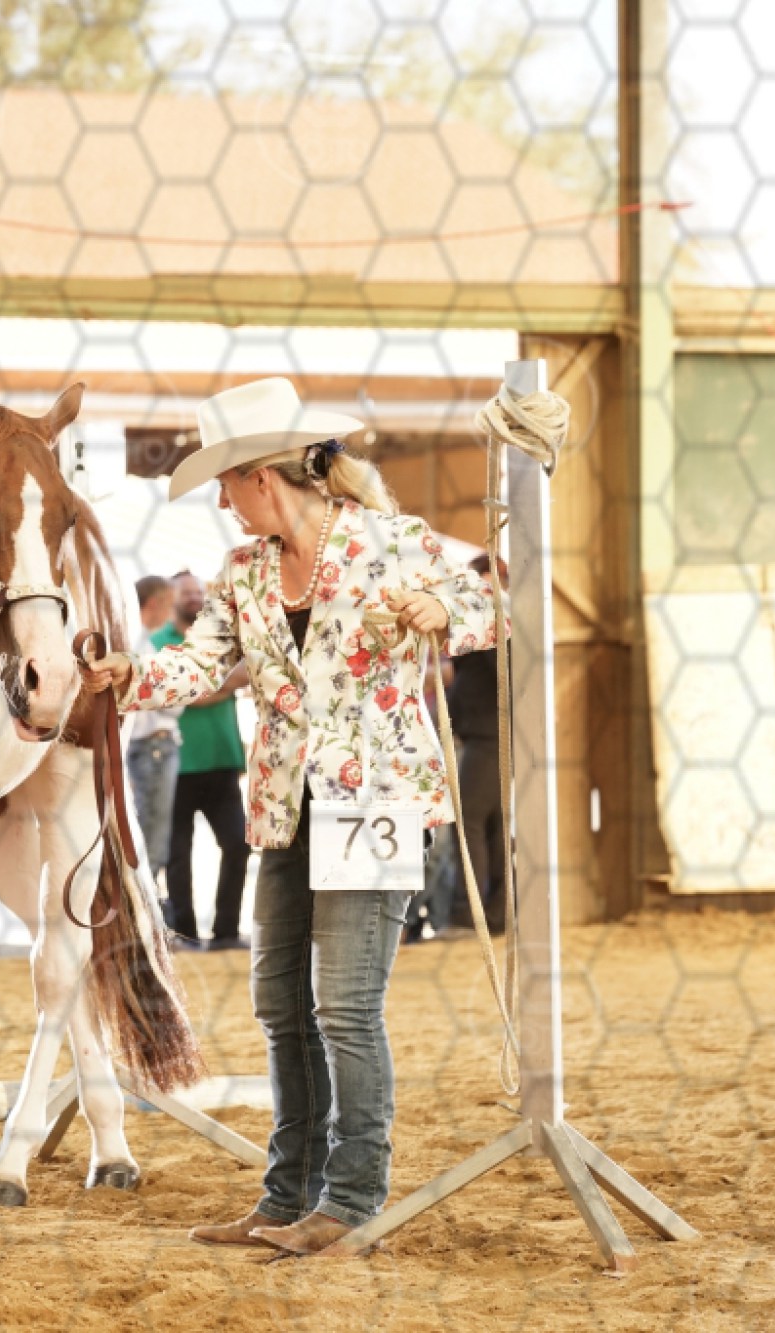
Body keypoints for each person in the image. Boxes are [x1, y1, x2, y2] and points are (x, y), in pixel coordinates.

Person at [79, 377, 499, 1257]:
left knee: (345, 1005)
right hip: (286, 808)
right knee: (280, 1000)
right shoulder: (244, 573)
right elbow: (201, 664)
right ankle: (286, 1197)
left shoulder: (392, 542)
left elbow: (486, 609)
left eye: (224, 485)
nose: (222, 504)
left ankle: (353, 1198)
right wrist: (130, 675)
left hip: (375, 801)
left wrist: (441, 609)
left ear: (261, 477)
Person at [412, 553, 507, 941]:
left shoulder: (493, 621)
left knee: (469, 823)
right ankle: (495, 914)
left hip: (488, 736)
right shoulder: (491, 623)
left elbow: (503, 677)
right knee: (492, 826)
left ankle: (469, 915)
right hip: (487, 735)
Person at [157, 570, 252, 950]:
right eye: (187, 592)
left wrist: (204, 683)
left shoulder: (222, 638)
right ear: (172, 599)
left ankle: (226, 931)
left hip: (223, 761)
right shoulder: (158, 641)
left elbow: (249, 673)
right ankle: (185, 934)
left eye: (200, 590)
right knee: (178, 855)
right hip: (176, 765)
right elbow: (177, 692)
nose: (195, 597)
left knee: (238, 844)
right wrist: (225, 682)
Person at [126, 575, 183, 886]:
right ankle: (148, 907)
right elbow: (169, 704)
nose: (172, 614)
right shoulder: (140, 643)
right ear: (153, 604)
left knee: (150, 834)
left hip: (146, 749)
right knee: (152, 839)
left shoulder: (135, 639)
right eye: (169, 605)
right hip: (153, 748)